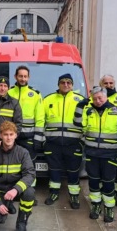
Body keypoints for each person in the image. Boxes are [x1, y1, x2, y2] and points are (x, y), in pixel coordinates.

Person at [80, 86, 117, 223]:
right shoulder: (89, 111)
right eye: (95, 98)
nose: (98, 101)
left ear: (106, 98)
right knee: (93, 182)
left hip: (109, 155)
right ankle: (96, 206)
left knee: (109, 183)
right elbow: (82, 128)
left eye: (100, 98)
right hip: (92, 154)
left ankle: (109, 208)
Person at [0, 121, 35, 231]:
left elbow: (30, 174)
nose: (8, 138)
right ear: (0, 135)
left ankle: (22, 221)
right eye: (6, 134)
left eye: (11, 134)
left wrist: (16, 190)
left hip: (15, 190)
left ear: (16, 135)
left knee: (29, 192)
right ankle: (4, 207)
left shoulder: (23, 153)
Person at [43, 73, 85, 209]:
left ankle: (74, 195)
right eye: (62, 82)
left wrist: (82, 141)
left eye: (68, 82)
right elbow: (41, 120)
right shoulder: (48, 99)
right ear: (58, 84)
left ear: (72, 85)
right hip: (53, 143)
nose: (65, 85)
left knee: (73, 171)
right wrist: (44, 140)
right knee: (54, 170)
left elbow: (88, 123)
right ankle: (54, 193)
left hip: (73, 144)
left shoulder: (81, 100)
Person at [8, 66, 45, 184]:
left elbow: (40, 119)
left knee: (29, 166)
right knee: (12, 164)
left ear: (28, 77)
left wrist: (38, 139)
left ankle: (29, 192)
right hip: (11, 137)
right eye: (20, 76)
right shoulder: (9, 92)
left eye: (25, 76)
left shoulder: (35, 94)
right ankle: (14, 190)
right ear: (15, 77)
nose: (23, 79)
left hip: (29, 137)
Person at [98, 74, 117, 207]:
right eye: (106, 83)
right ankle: (100, 192)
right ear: (101, 85)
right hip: (100, 143)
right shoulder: (96, 98)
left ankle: (116, 195)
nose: (109, 85)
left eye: (111, 83)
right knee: (101, 171)